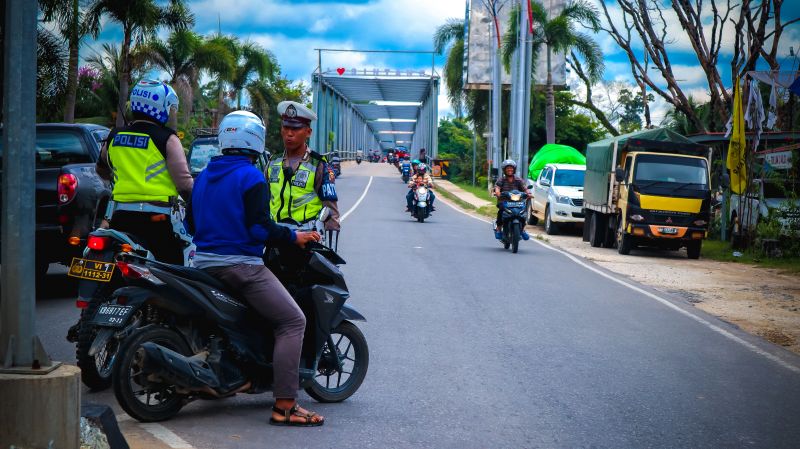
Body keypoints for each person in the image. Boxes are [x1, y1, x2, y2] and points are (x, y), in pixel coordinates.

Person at [190, 110, 325, 427]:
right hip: (241, 266)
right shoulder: (252, 176)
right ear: (256, 139)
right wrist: (294, 236)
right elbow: (260, 230)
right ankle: (286, 406)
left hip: (202, 263)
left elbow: (191, 224)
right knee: (293, 321)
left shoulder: (204, 175)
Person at [95, 79, 193, 264]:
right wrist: (199, 202)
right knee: (174, 269)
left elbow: (101, 168)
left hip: (120, 216)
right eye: (170, 107)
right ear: (161, 107)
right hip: (156, 218)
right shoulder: (167, 139)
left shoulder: (115, 135)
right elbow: (184, 185)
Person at [265, 101, 340, 239]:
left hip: (308, 238)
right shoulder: (272, 163)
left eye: (295, 129)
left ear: (308, 132)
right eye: (286, 127)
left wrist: (330, 249)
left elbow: (331, 211)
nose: (289, 133)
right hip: (276, 236)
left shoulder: (319, 165)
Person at [493, 159, 532, 240]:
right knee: (501, 212)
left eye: (511, 168)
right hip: (504, 201)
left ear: (514, 169)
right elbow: (497, 187)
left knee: (523, 213)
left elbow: (524, 188)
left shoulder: (518, 180)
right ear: (504, 170)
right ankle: (499, 229)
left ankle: (523, 230)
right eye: (508, 168)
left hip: (518, 202)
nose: (510, 170)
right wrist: (497, 192)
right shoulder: (501, 180)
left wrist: (528, 193)